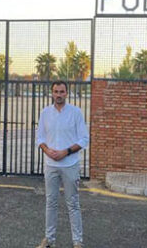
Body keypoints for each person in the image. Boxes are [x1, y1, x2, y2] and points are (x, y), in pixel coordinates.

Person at [35, 81, 90, 248]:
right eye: (56, 91)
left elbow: (84, 139)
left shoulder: (75, 113)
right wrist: (46, 150)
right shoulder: (45, 113)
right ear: (52, 93)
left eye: (62, 91)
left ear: (67, 93)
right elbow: (40, 138)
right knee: (51, 202)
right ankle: (49, 239)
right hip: (51, 165)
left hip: (70, 164)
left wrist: (66, 152)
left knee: (72, 203)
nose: (58, 94)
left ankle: (77, 242)